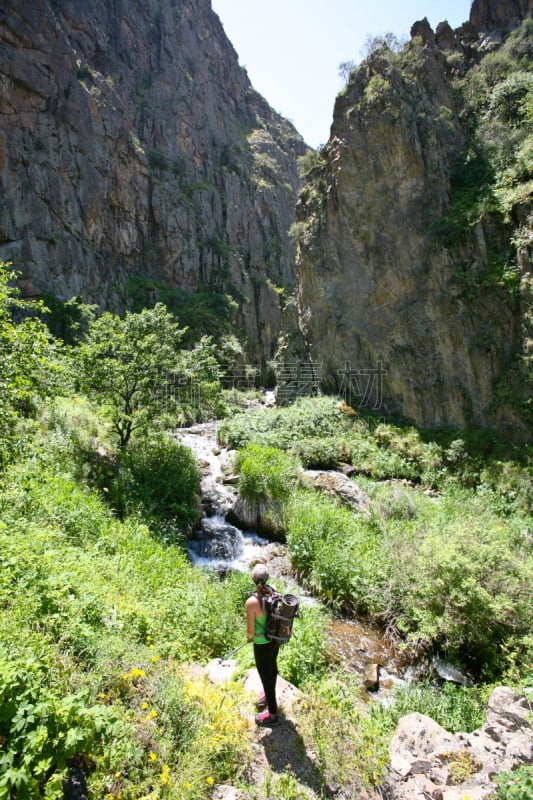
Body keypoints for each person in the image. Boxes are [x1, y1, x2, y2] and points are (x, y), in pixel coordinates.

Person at [246, 563, 280, 727]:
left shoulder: (251, 602)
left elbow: (251, 632)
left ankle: (272, 714)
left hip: (261, 644)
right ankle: (267, 696)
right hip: (274, 640)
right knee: (272, 669)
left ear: (253, 580)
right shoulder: (273, 593)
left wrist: (249, 637)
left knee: (265, 676)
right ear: (267, 579)